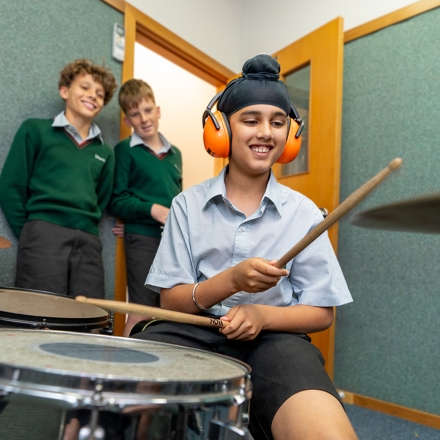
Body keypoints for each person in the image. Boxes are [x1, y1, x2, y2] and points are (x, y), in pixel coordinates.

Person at [133, 54, 358, 440]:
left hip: (275, 340)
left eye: (277, 122)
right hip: (192, 329)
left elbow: (322, 313)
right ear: (221, 130)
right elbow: (170, 303)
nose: (265, 133)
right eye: (250, 120)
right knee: (126, 407)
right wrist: (232, 279)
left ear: (291, 135)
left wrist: (263, 316)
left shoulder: (304, 213)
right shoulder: (187, 205)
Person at [0, 59, 117, 298]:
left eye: (100, 94)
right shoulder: (35, 130)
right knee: (40, 311)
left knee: (90, 315)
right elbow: (10, 186)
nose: (92, 96)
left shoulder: (105, 152)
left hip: (89, 241)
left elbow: (102, 198)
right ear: (64, 90)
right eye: (85, 87)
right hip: (43, 233)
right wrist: (32, 231)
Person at [109, 79, 182, 337]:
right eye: (135, 114)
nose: (144, 119)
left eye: (148, 110)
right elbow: (117, 199)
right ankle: (126, 374)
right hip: (142, 239)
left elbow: (178, 200)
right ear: (128, 121)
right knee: (140, 310)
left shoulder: (176, 155)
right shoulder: (124, 151)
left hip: (172, 241)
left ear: (158, 111)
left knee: (169, 310)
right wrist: (153, 211)